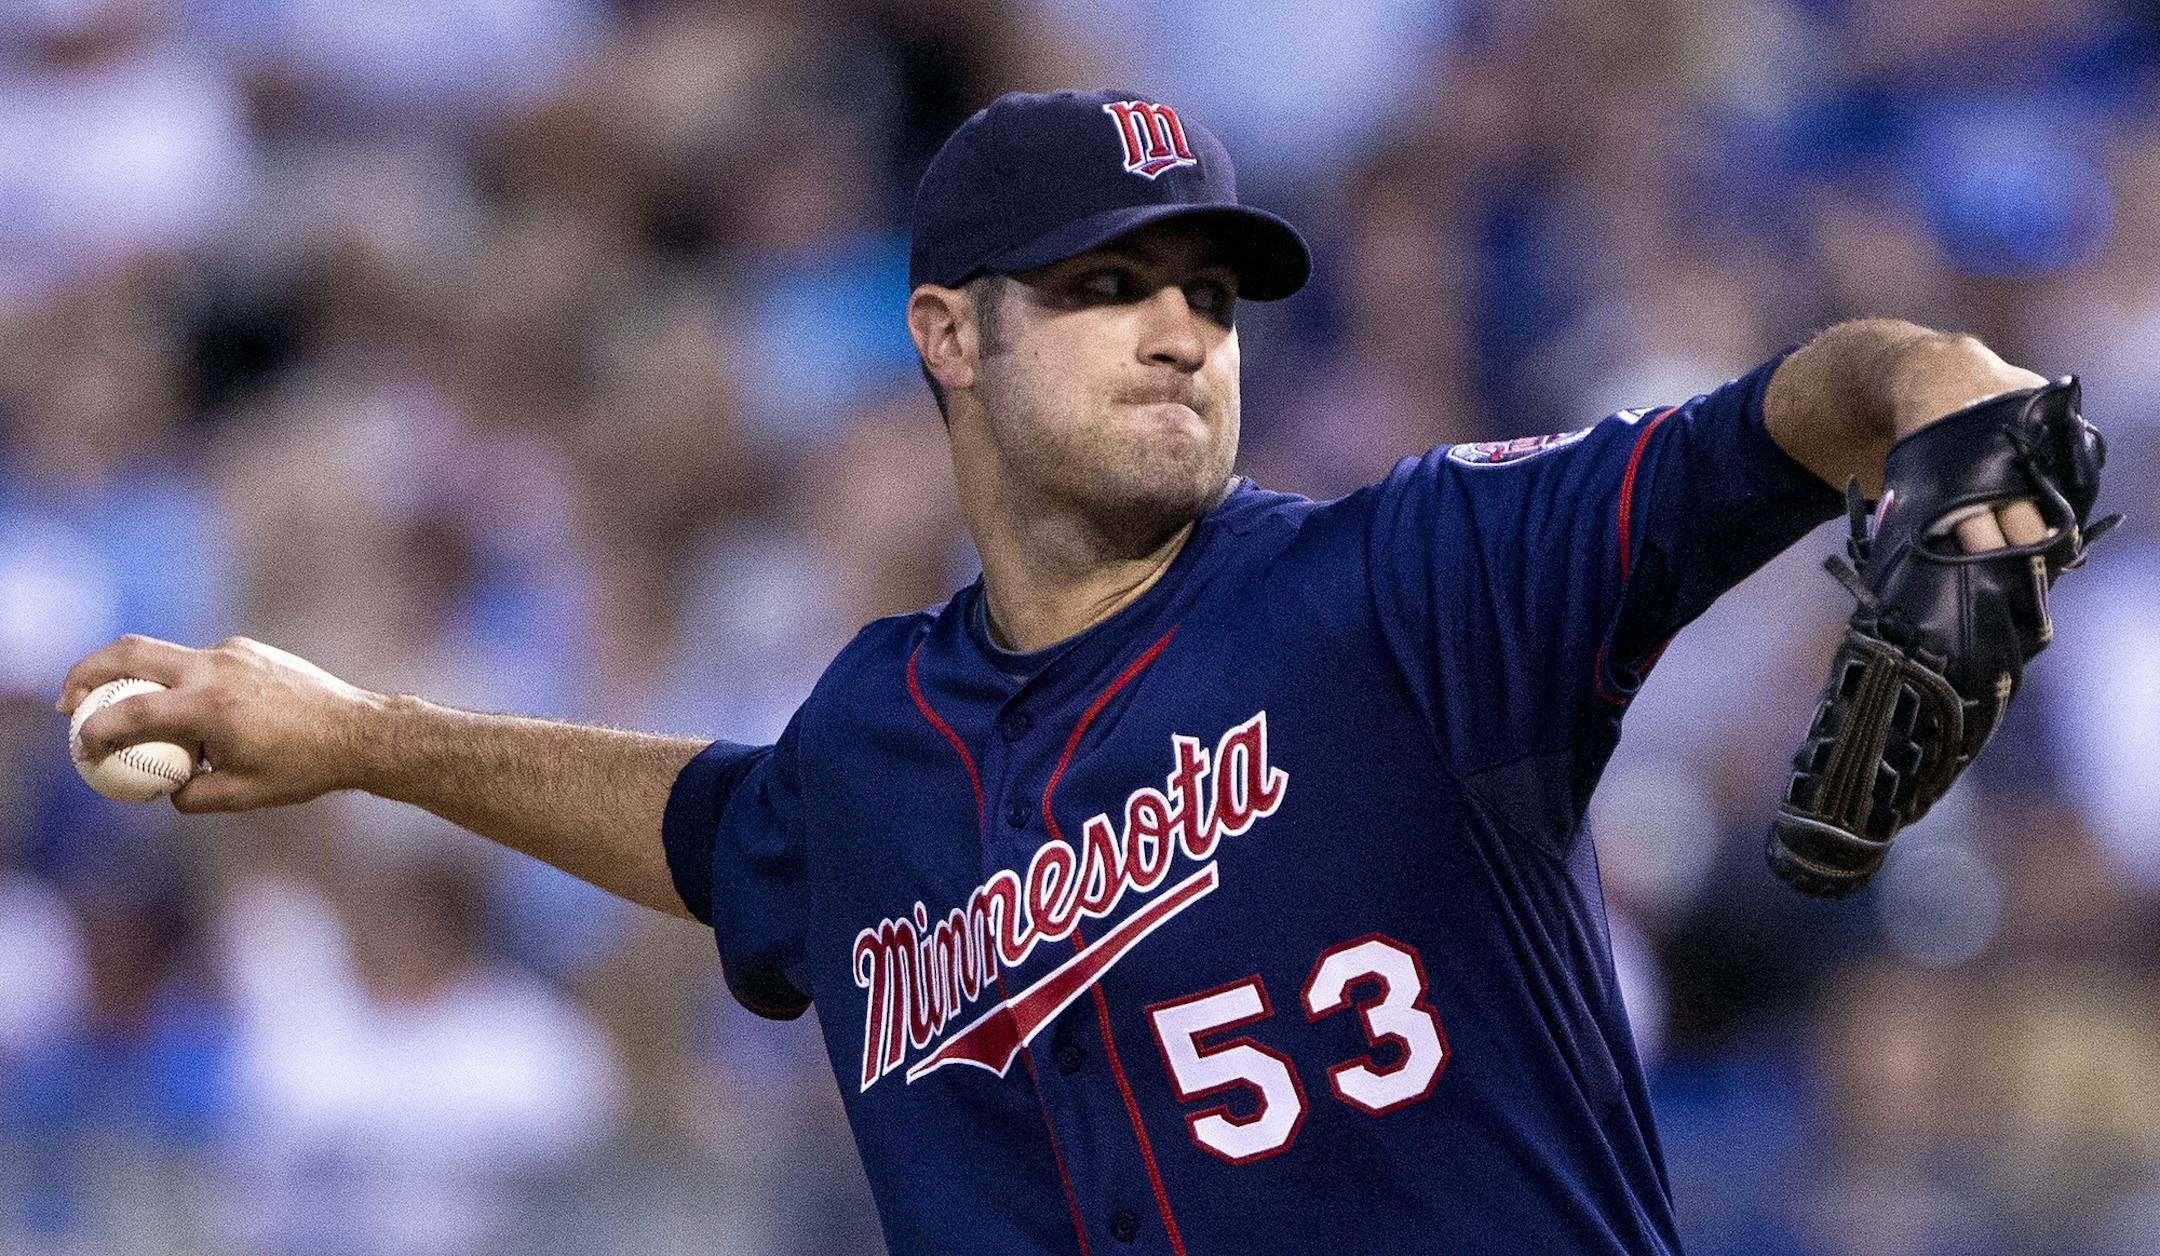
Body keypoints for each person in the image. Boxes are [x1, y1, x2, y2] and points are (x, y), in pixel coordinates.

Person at [63, 89, 2068, 1254]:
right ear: (949, 335)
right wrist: (359, 738)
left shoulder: (1419, 583)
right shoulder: (870, 748)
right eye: (1108, 287)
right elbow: (707, 829)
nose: (1181, 328)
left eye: (1207, 289)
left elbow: (1778, 421)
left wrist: (1935, 391)